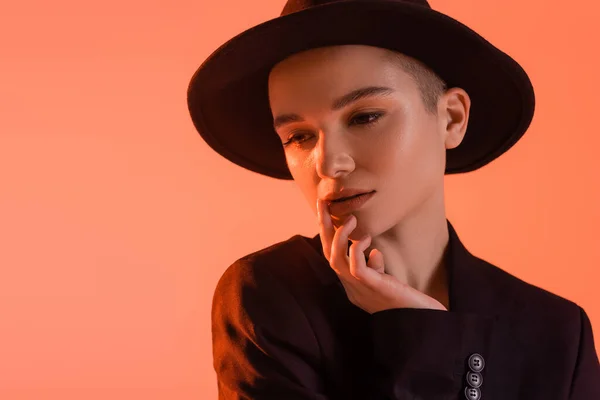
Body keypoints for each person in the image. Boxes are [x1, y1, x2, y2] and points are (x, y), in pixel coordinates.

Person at [186, 0, 600, 398]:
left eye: (364, 117)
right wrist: (420, 337)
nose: (330, 163)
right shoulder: (269, 296)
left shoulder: (555, 331)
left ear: (452, 118)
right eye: (298, 136)